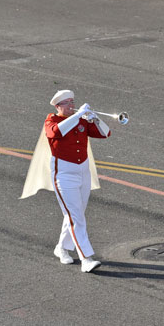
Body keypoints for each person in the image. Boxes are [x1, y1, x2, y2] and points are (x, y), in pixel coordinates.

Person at [36, 90, 110, 273]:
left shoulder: (81, 120)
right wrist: (78, 115)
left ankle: (61, 247)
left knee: (75, 213)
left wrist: (96, 118)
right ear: (58, 106)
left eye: (72, 101)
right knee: (76, 217)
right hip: (64, 174)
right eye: (67, 103)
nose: (71, 105)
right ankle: (86, 258)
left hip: (83, 172)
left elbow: (106, 133)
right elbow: (57, 132)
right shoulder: (51, 121)